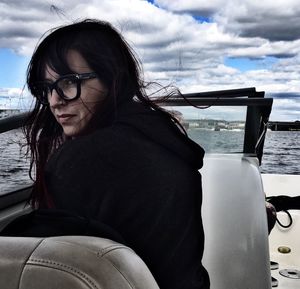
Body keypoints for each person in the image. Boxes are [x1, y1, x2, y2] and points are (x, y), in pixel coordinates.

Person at [19, 19, 210, 288]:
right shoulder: (161, 138)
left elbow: (48, 269)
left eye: (69, 82)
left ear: (112, 79)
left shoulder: (85, 159)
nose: (54, 100)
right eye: (48, 88)